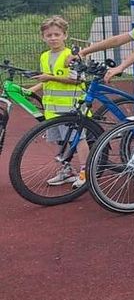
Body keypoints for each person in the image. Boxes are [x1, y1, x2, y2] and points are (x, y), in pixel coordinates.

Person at [31, 16, 83, 186]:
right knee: (61, 140)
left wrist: (49, 77)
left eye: (57, 34)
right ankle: (67, 170)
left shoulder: (71, 55)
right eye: (49, 35)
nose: (53, 38)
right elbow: (46, 80)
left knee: (78, 138)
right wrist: (32, 90)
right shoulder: (44, 56)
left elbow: (77, 80)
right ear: (43, 37)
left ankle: (85, 171)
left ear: (65, 35)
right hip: (52, 108)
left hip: (71, 106)